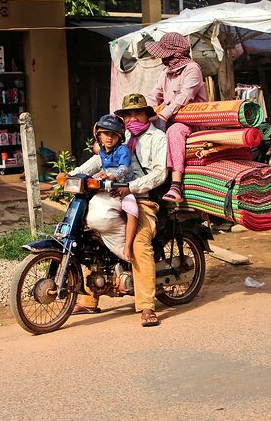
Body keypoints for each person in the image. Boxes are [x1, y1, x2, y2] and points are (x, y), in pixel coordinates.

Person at [72, 95, 167, 327]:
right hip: (112, 195)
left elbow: (159, 173)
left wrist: (130, 187)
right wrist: (72, 175)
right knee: (85, 234)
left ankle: (146, 306)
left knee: (138, 244)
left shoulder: (158, 138)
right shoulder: (116, 139)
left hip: (142, 199)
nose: (132, 118)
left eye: (138, 113)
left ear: (147, 115)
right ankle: (88, 298)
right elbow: (98, 162)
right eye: (127, 115)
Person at [144, 32, 206, 202]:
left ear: (175, 55)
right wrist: (140, 112)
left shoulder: (192, 69)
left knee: (174, 131)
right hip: (168, 120)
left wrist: (163, 115)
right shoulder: (165, 72)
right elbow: (154, 95)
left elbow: (185, 96)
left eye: (166, 55)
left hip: (191, 123)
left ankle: (176, 185)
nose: (162, 59)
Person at [91, 114, 138, 262]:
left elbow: (124, 168)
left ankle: (128, 246)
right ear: (99, 136)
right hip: (109, 188)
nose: (109, 138)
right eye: (105, 134)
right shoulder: (102, 152)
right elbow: (103, 167)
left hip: (124, 187)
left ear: (120, 138)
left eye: (113, 135)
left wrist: (112, 175)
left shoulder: (122, 150)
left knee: (132, 210)